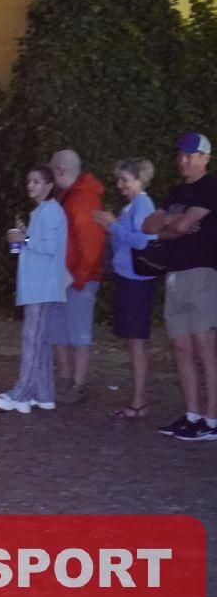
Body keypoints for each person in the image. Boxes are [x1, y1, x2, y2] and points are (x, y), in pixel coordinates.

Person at [141, 133, 217, 442]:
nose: (183, 160)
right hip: (175, 274)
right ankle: (192, 414)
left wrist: (169, 223)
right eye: (180, 155)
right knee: (181, 347)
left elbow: (182, 227)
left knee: (205, 348)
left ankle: (212, 419)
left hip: (201, 273)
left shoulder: (209, 188)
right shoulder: (176, 192)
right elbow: (149, 226)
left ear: (205, 157)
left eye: (190, 155)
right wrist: (173, 222)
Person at [0, 166, 70, 414]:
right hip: (38, 284)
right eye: (29, 181)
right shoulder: (42, 212)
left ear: (49, 186)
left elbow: (49, 246)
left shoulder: (51, 211)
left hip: (41, 286)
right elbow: (40, 245)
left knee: (32, 339)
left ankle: (21, 392)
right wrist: (25, 237)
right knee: (40, 341)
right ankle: (44, 394)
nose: (30, 186)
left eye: (36, 182)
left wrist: (24, 239)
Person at [91, 158, 158, 418]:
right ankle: (138, 398)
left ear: (140, 180)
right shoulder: (132, 206)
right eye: (119, 179)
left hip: (136, 281)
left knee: (137, 341)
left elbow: (142, 242)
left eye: (125, 180)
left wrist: (112, 226)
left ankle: (140, 401)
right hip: (128, 278)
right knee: (133, 341)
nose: (120, 185)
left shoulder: (142, 204)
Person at [48, 149, 105, 405]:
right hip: (67, 276)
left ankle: (77, 383)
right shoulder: (72, 197)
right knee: (61, 330)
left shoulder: (81, 198)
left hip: (77, 278)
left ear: (60, 170)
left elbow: (90, 243)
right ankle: (66, 378)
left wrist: (80, 278)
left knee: (78, 332)